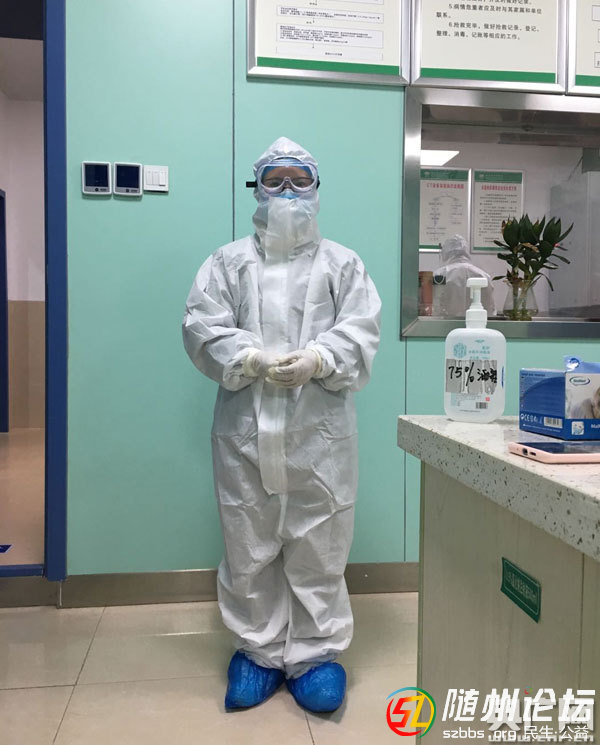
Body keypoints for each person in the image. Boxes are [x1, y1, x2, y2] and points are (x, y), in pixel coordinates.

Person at [182, 137, 381, 713]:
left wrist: (320, 358)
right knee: (248, 539)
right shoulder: (226, 263)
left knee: (321, 542)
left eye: (300, 180)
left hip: (320, 435)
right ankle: (258, 651)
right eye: (275, 181)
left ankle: (317, 655)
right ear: (257, 189)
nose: (288, 192)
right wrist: (250, 358)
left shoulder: (343, 265)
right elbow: (202, 327)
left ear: (317, 188)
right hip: (244, 431)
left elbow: (361, 329)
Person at [432, 234, 495, 317]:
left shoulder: (440, 275)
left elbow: (435, 308)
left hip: (446, 323)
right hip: (477, 323)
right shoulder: (484, 276)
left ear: (445, 252)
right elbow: (490, 310)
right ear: (466, 251)